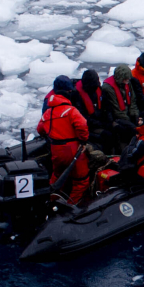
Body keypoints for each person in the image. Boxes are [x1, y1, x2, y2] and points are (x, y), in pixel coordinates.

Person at [37, 75, 93, 203]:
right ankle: (70, 205)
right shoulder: (70, 111)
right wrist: (83, 140)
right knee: (81, 180)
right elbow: (82, 125)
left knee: (57, 177)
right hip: (73, 150)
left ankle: (50, 202)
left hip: (56, 150)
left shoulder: (47, 113)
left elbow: (40, 129)